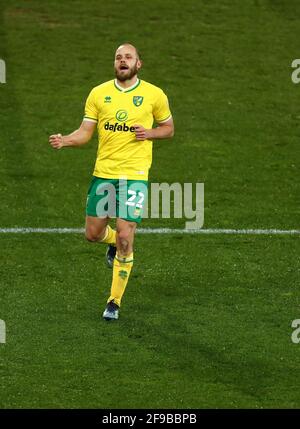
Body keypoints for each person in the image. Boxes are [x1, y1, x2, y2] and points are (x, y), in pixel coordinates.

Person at [49, 43, 174, 321]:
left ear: (138, 64)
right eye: (118, 57)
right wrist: (66, 140)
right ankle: (112, 243)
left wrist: (150, 133)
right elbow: (85, 132)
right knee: (92, 234)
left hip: (135, 175)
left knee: (126, 234)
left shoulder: (154, 95)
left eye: (128, 57)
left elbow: (169, 129)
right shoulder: (99, 93)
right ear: (115, 64)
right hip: (104, 173)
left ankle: (113, 301)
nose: (123, 61)